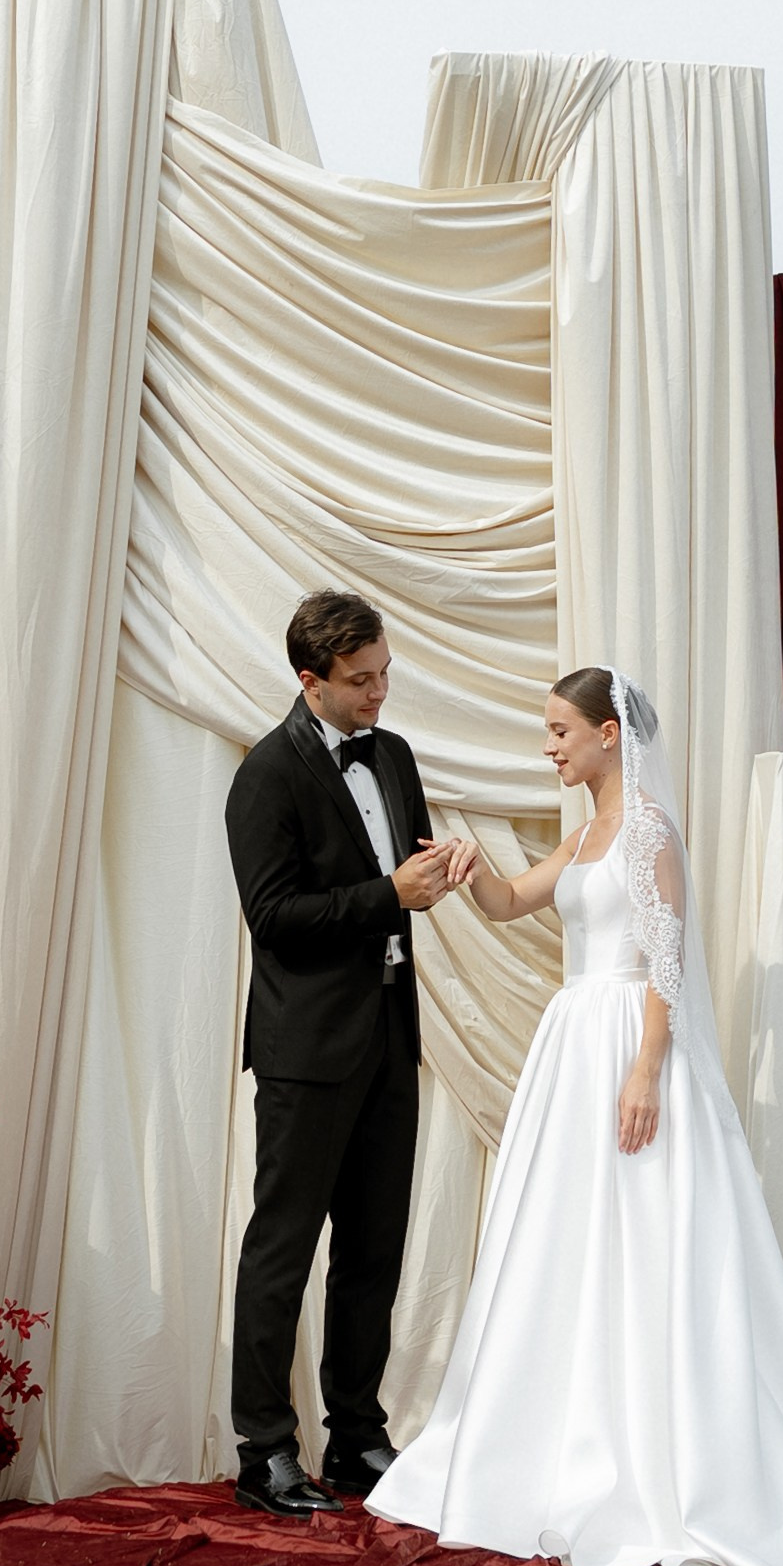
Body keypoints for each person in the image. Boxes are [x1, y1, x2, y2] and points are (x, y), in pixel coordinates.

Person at [366, 665, 783, 1566]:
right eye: (545, 733)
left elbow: (664, 959)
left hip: (624, 1045)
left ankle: (661, 1458)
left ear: (610, 733)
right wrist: (467, 867)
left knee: (646, 1247)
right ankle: (559, 1434)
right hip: (570, 1047)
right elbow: (521, 900)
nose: (548, 748)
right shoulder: (590, 825)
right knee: (564, 1249)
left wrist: (647, 1066)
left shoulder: (646, 826)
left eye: (560, 732)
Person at [224, 591, 453, 1516]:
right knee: (281, 1250)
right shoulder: (265, 776)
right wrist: (386, 893)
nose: (380, 693)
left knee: (375, 1250)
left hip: (388, 1038)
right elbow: (272, 920)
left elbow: (404, 875)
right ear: (309, 680)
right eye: (361, 681)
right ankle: (263, 1448)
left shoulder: (393, 755)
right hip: (304, 1049)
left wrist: (435, 877)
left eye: (386, 672)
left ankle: (355, 1434)